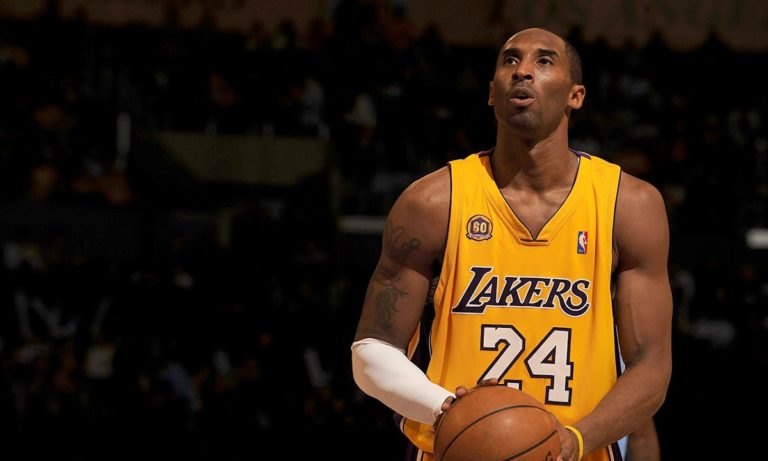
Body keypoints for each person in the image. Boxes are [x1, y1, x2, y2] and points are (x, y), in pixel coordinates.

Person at [350, 27, 672, 461]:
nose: (522, 71)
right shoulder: (431, 202)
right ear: (491, 92)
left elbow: (652, 366)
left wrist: (573, 440)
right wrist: (447, 410)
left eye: (544, 61)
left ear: (576, 96)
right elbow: (371, 352)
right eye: (510, 60)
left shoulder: (628, 206)